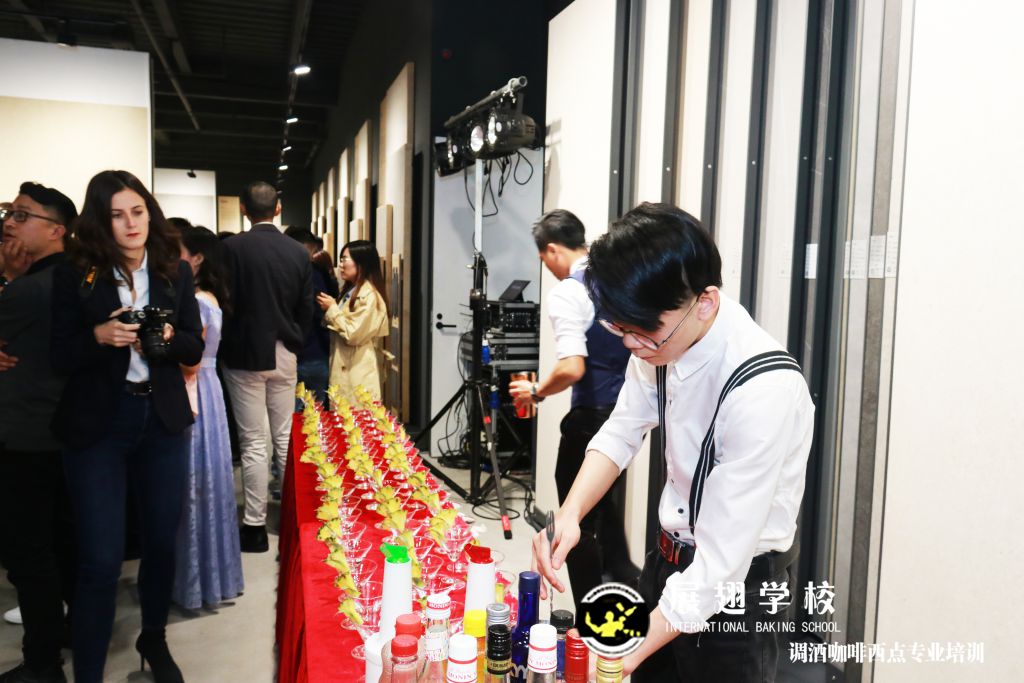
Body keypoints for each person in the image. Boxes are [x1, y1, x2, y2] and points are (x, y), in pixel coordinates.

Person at [532, 203, 814, 682]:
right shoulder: (658, 345)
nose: (631, 344)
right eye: (619, 328)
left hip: (737, 593)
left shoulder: (764, 389)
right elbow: (621, 430)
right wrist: (571, 514)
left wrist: (621, 654)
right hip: (666, 564)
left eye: (643, 331)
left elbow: (720, 565)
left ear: (704, 302)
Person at [50, 170, 203, 683]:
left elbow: (194, 346)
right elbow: (58, 355)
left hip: (161, 420)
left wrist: (167, 336)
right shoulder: (76, 272)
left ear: (150, 213)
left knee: (161, 543)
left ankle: (152, 637)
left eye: (138, 211)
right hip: (99, 423)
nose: (131, 223)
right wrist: (99, 335)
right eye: (117, 215)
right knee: (100, 559)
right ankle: (89, 672)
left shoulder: (173, 270)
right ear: (101, 220)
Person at [508, 209, 636, 618]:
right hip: (626, 414)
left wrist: (536, 391)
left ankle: (594, 621)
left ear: (552, 249)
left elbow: (572, 367)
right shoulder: (613, 279)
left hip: (592, 417)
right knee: (606, 517)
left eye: (543, 259)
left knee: (574, 522)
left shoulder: (569, 291)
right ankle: (622, 603)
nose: (546, 267)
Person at [0, 183, 78, 683]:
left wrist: (8, 277)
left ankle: (43, 663)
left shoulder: (30, 288)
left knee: (30, 556)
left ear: (56, 230)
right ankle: (62, 638)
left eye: (22, 215)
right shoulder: (73, 278)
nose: (9, 222)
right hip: (61, 434)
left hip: (26, 436)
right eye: (9, 213)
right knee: (59, 545)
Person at [219, 182, 313, 553]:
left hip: (244, 354)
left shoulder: (231, 249)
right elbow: (306, 308)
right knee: (285, 437)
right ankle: (292, 519)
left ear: (243, 208)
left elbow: (224, 303)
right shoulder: (297, 251)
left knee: (254, 442)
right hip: (285, 350)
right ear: (278, 208)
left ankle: (255, 526)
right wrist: (294, 341)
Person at [173, 226, 244, 610]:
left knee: (194, 482)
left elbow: (190, 359)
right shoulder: (210, 297)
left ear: (197, 258)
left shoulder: (198, 301)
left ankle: (195, 582)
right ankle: (213, 577)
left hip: (195, 388)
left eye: (178, 251)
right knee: (207, 482)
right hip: (209, 387)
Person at [316, 240, 388, 401]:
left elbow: (353, 334)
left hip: (356, 372)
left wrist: (332, 308)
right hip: (346, 368)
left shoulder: (369, 296)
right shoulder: (351, 290)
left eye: (345, 259)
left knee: (354, 415)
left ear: (361, 263)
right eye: (340, 260)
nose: (341, 265)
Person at [285, 227, 333, 405]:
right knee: (314, 412)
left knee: (292, 411)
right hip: (313, 352)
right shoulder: (313, 273)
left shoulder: (279, 272)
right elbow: (321, 312)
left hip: (287, 352)